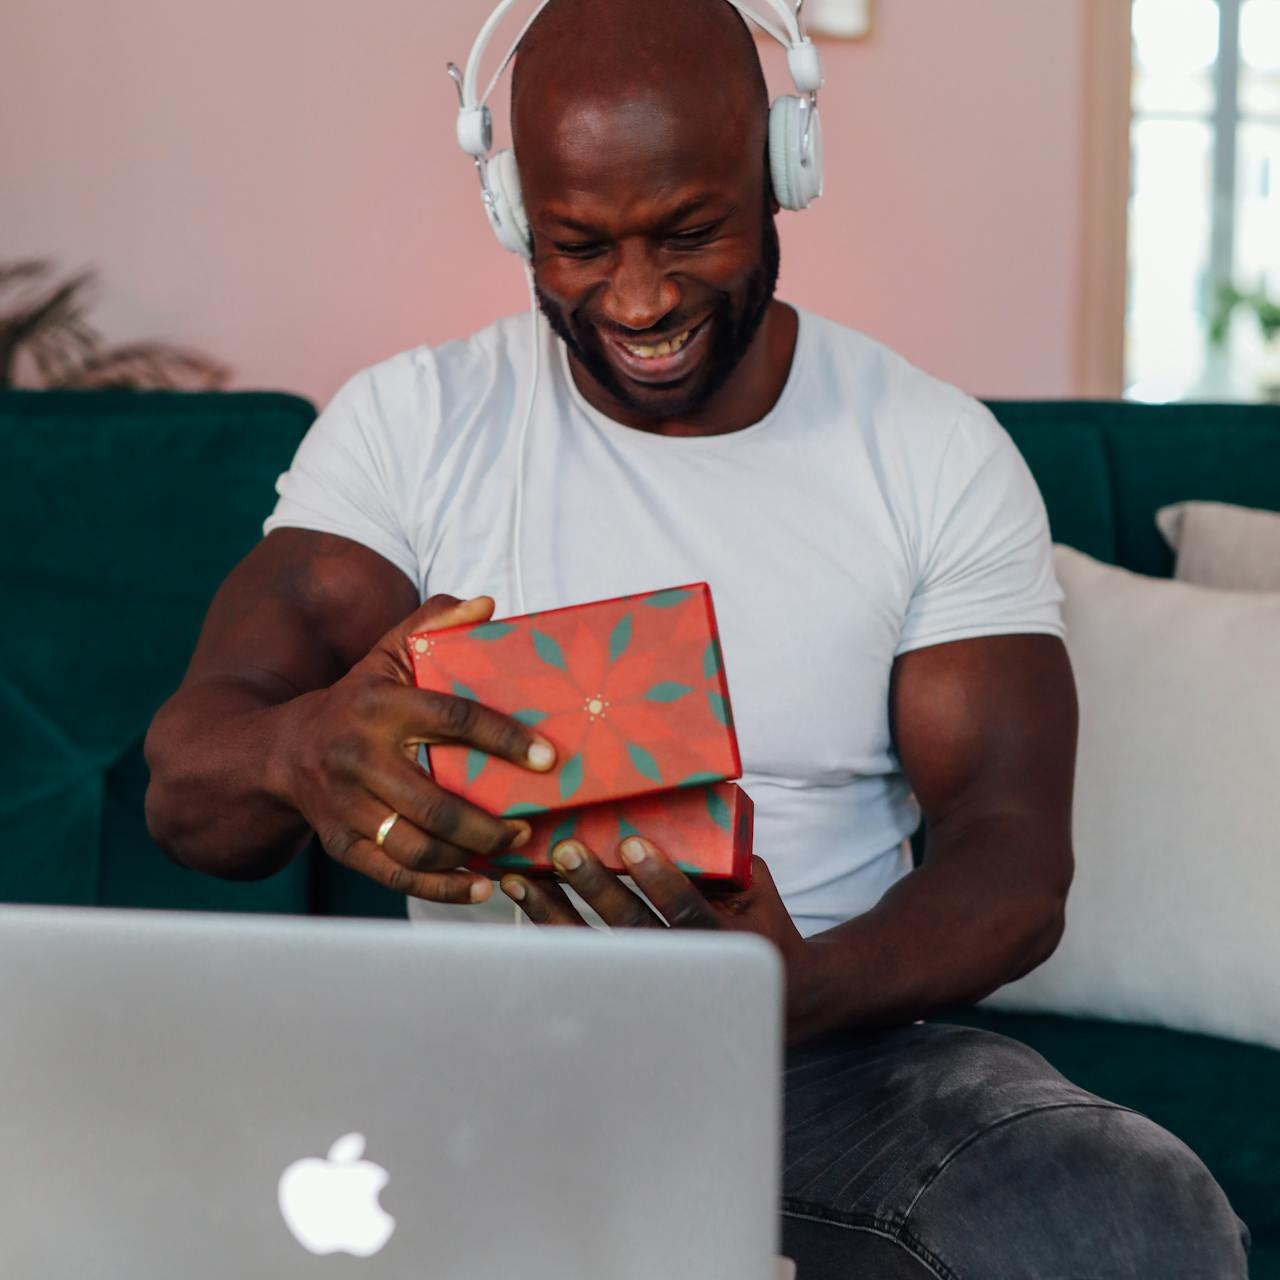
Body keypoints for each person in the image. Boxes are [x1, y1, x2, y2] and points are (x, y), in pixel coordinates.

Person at [143, 0, 1250, 1272]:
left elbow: (1011, 860)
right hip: (479, 1054)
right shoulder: (412, 428)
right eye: (577, 244)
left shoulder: (930, 453)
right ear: (513, 214)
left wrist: (791, 990)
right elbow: (190, 793)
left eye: (688, 231)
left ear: (782, 173)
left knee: (1121, 1209)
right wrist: (297, 751)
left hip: (825, 1061)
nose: (639, 297)